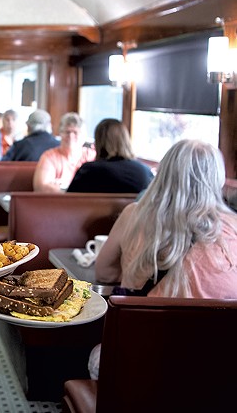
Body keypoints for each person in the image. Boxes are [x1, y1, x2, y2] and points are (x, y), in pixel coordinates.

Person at [88, 139, 237, 378]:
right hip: (217, 365)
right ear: (218, 179)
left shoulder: (133, 215)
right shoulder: (234, 228)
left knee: (98, 357)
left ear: (164, 172)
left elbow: (103, 273)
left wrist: (135, 269)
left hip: (146, 356)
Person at [67, 118, 154, 193]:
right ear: (126, 140)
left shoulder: (89, 171)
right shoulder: (145, 172)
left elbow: (69, 201)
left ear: (99, 143)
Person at [33, 112, 96, 192]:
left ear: (84, 136)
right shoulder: (49, 156)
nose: (71, 136)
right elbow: (41, 187)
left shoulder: (91, 156)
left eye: (75, 132)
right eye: (67, 132)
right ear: (60, 134)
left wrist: (61, 188)